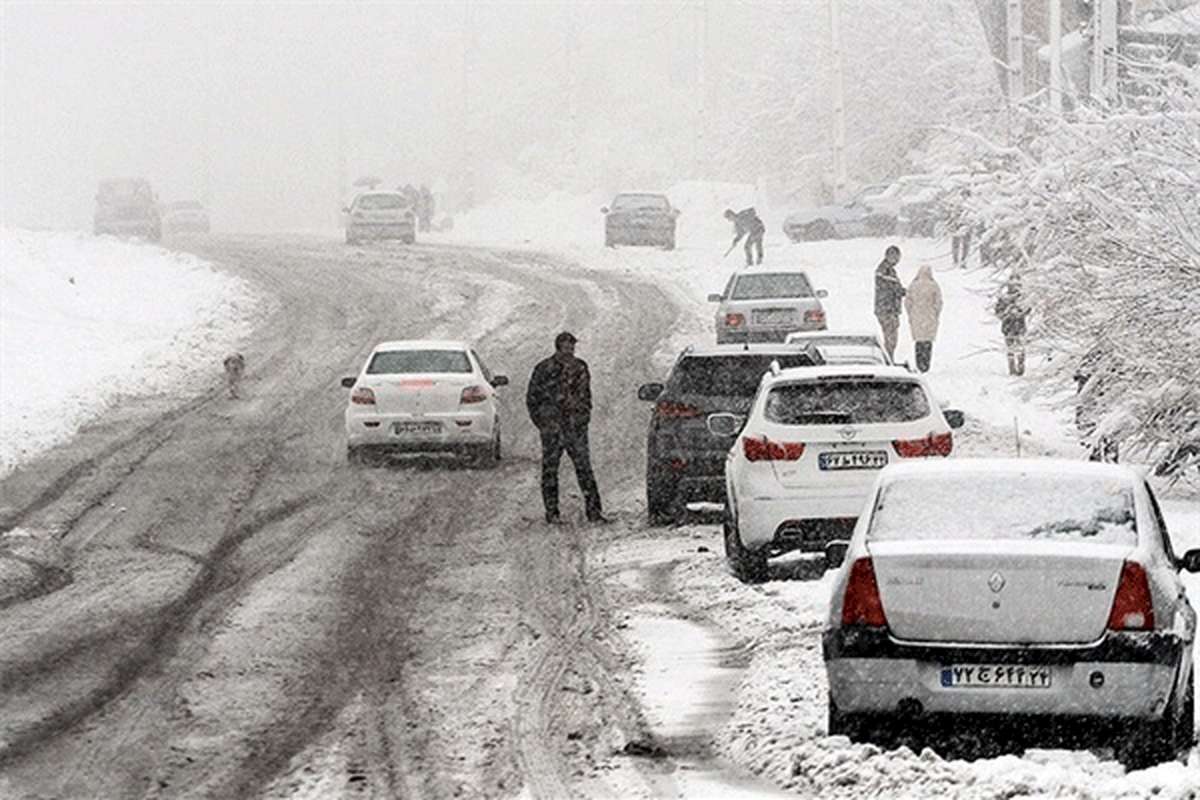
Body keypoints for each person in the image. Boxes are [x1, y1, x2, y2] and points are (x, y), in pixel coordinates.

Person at [525, 332, 606, 524]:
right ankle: (552, 512)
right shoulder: (544, 369)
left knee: (584, 469)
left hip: (575, 428)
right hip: (552, 428)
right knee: (550, 470)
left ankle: (594, 512)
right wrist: (543, 423)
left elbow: (586, 397)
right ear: (558, 347)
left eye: (572, 346)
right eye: (567, 346)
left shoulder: (580, 367)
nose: (570, 350)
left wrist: (582, 418)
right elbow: (532, 398)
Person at [903, 265, 942, 372]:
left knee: (919, 341)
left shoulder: (913, 285)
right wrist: (935, 313)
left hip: (916, 316)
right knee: (928, 342)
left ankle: (919, 363)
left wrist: (911, 313)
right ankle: (926, 364)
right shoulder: (934, 286)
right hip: (930, 316)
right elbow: (938, 302)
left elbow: (907, 302)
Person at [873, 245, 905, 363]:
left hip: (889, 308)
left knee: (891, 337)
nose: (897, 260)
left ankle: (889, 359)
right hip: (887, 309)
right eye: (895, 257)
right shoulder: (884, 270)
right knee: (890, 337)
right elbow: (890, 288)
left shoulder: (889, 270)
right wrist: (901, 291)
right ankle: (888, 360)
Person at [993, 276, 1029, 376]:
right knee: (1010, 349)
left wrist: (1020, 313)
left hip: (1020, 326)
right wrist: (1006, 314)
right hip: (1008, 327)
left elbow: (1028, 309)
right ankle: (1012, 367)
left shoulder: (1023, 298)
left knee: (1021, 347)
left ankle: (1020, 366)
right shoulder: (1004, 299)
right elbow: (998, 312)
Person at [951, 189, 973, 269]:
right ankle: (955, 260)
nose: (965, 196)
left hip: (967, 226)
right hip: (957, 225)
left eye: (966, 194)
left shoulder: (971, 204)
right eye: (963, 194)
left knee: (966, 245)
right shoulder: (958, 203)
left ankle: (963, 261)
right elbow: (953, 214)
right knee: (956, 244)